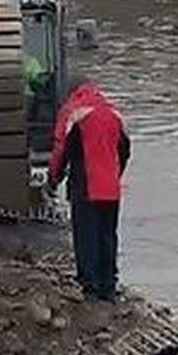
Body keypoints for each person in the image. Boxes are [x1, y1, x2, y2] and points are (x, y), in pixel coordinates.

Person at [47, 77, 131, 302]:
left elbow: (60, 149)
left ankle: (90, 287)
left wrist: (53, 179)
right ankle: (109, 285)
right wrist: (115, 174)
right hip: (111, 187)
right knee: (107, 234)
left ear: (72, 92)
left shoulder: (73, 112)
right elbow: (125, 150)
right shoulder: (114, 113)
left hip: (86, 184)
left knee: (86, 234)